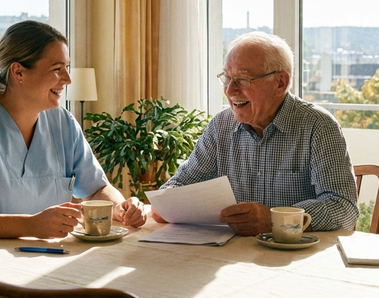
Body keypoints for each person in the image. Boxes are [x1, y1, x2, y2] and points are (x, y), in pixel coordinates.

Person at [0, 20, 146, 240]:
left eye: (66, 68)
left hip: (37, 259)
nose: (67, 79)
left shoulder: (63, 123)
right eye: (57, 69)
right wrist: (29, 225)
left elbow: (97, 189)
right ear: (18, 72)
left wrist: (120, 208)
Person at [151, 32, 358, 236]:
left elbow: (344, 208)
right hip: (231, 257)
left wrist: (274, 220)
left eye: (242, 79)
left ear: (280, 83)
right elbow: (180, 184)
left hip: (294, 260)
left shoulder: (318, 126)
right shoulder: (220, 126)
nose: (230, 90)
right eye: (227, 78)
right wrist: (157, 203)